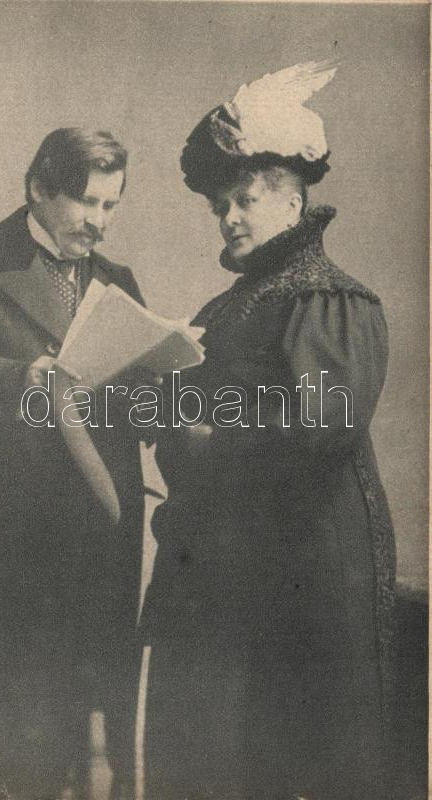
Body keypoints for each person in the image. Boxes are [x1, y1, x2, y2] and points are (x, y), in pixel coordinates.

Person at [143, 63, 396, 800]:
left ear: (292, 197)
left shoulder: (329, 299)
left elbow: (322, 424)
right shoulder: (228, 307)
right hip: (225, 572)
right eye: (219, 206)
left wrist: (205, 434)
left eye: (244, 200)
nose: (228, 218)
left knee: (283, 758)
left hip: (301, 575)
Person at [0, 128, 145, 800]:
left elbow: (128, 397)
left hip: (89, 544)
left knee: (72, 738)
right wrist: (20, 377)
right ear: (37, 190)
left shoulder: (116, 281)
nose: (97, 221)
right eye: (85, 202)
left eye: (110, 206)